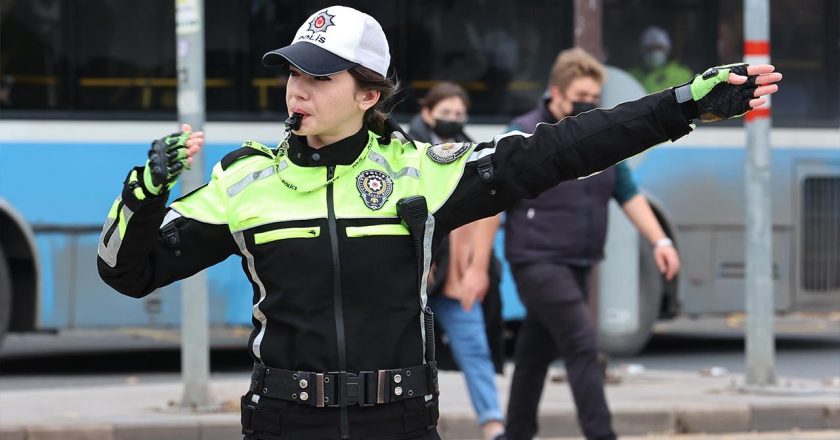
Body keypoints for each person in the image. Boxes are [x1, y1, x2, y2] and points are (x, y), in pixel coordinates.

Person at [95, 5, 781, 439]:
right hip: (283, 423)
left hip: (397, 422)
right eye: (292, 74)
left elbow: (562, 149)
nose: (296, 89)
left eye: (319, 77)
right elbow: (127, 271)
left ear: (368, 95)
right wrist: (145, 189)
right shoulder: (246, 181)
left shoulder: (423, 171)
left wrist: (680, 107)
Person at [502, 47, 682, 440]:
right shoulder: (522, 134)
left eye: (594, 100)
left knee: (534, 351)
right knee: (582, 344)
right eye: (579, 98)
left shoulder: (599, 139)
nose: (586, 106)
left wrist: (661, 241)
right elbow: (491, 201)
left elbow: (629, 193)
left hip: (579, 259)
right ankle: (602, 435)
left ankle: (515, 433)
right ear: (555, 92)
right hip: (536, 259)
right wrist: (472, 269)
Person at [408, 82, 506, 440]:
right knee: (405, 357)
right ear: (426, 112)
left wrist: (474, 271)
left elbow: (485, 213)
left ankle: (493, 423)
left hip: (453, 276)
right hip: (413, 275)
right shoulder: (408, 148)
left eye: (459, 114)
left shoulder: (469, 151)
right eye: (445, 113)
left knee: (475, 347)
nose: (453, 120)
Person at [628, 26, 694, 93]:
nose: (654, 53)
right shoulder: (631, 76)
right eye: (649, 49)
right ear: (641, 51)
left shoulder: (682, 74)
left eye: (659, 48)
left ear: (667, 50)